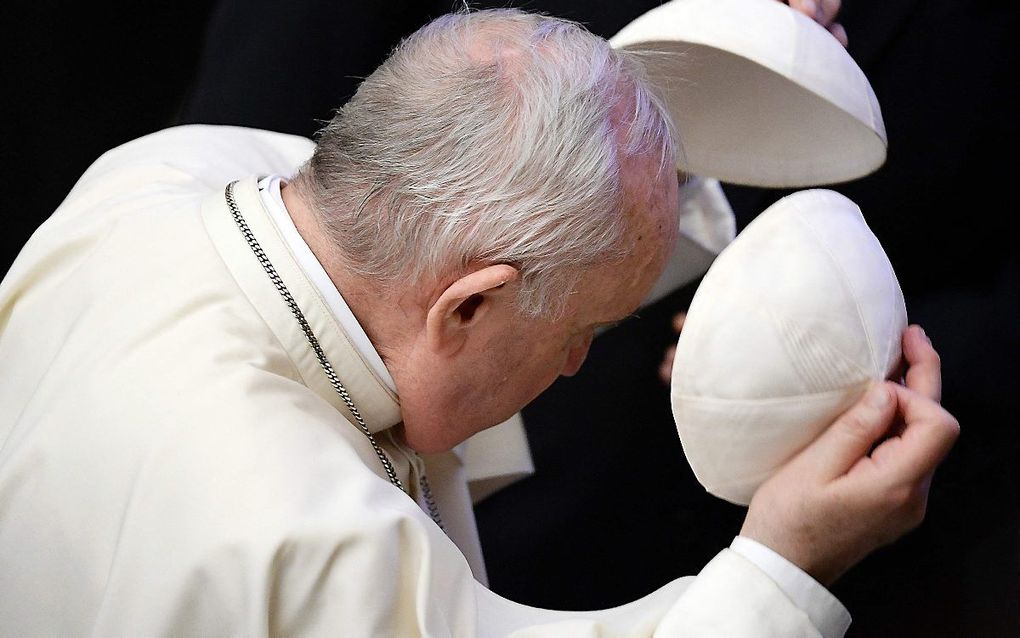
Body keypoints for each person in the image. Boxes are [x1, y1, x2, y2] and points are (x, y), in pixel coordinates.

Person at [0, 9, 957, 636]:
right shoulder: (308, 544)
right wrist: (788, 565)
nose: (578, 363)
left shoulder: (172, 172)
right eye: (581, 329)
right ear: (467, 305)